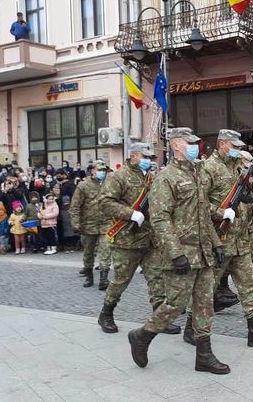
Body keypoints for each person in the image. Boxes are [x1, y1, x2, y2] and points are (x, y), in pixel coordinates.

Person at [127, 128, 230, 374]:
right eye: (189, 142)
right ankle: (143, 335)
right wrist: (175, 253)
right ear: (175, 146)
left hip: (203, 252)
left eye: (196, 142)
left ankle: (204, 355)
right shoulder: (167, 178)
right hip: (181, 253)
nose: (195, 146)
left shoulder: (198, 174)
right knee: (175, 304)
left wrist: (216, 244)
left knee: (205, 303)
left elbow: (204, 216)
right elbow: (160, 219)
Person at [197, 129, 253, 348]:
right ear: (222, 144)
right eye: (234, 146)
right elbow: (199, 203)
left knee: (248, 286)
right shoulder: (208, 168)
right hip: (219, 240)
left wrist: (250, 182)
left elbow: (246, 197)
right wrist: (220, 213)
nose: (237, 150)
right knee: (208, 289)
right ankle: (191, 327)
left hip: (240, 240)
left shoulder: (236, 168)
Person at [98, 142, 180, 335]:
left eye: (151, 158)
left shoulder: (151, 178)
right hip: (127, 239)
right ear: (133, 156)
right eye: (145, 157)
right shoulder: (118, 177)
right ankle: (106, 313)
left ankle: (159, 320)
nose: (149, 161)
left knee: (156, 279)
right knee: (121, 280)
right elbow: (105, 202)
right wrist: (129, 214)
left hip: (150, 239)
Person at [70, 160, 110, 289]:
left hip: (106, 224)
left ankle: (104, 279)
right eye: (100, 170)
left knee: (106, 251)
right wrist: (76, 223)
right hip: (88, 225)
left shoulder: (108, 184)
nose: (102, 172)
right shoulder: (83, 186)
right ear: (92, 171)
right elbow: (75, 206)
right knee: (88, 253)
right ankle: (89, 275)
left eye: (104, 170)